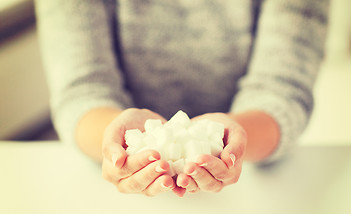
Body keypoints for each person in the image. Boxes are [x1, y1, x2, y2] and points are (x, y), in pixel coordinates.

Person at [35, 0, 329, 197]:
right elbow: (82, 88)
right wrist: (115, 144)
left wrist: (236, 142)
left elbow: (282, 88)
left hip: (259, 184)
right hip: (104, 193)